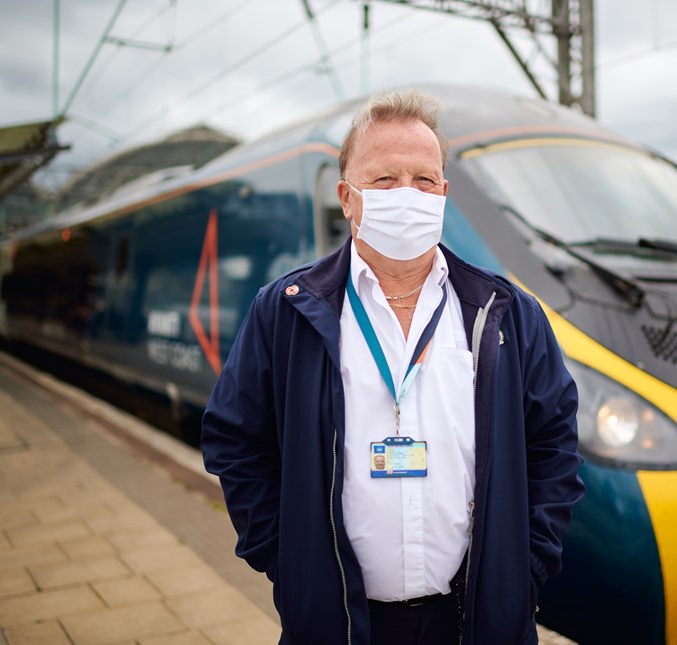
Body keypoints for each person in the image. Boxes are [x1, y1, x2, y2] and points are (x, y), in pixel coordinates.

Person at [201, 89, 584, 645]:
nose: (408, 194)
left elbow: (554, 445)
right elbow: (235, 439)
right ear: (346, 197)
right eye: (384, 180)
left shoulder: (507, 314)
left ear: (443, 195)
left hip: (477, 621)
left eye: (424, 180)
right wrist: (291, 563)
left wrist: (522, 574)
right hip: (339, 624)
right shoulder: (284, 311)